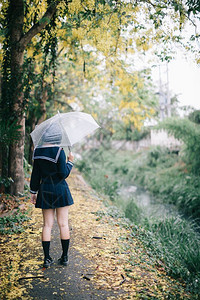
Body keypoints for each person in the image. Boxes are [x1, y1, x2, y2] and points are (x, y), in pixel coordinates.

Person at [30, 124, 74, 268]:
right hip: (60, 190)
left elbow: (35, 175)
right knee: (63, 224)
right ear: (57, 136)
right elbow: (63, 174)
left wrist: (33, 192)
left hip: (45, 190)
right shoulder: (59, 151)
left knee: (47, 225)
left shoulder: (37, 152)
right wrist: (70, 162)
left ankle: (47, 259)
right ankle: (65, 257)